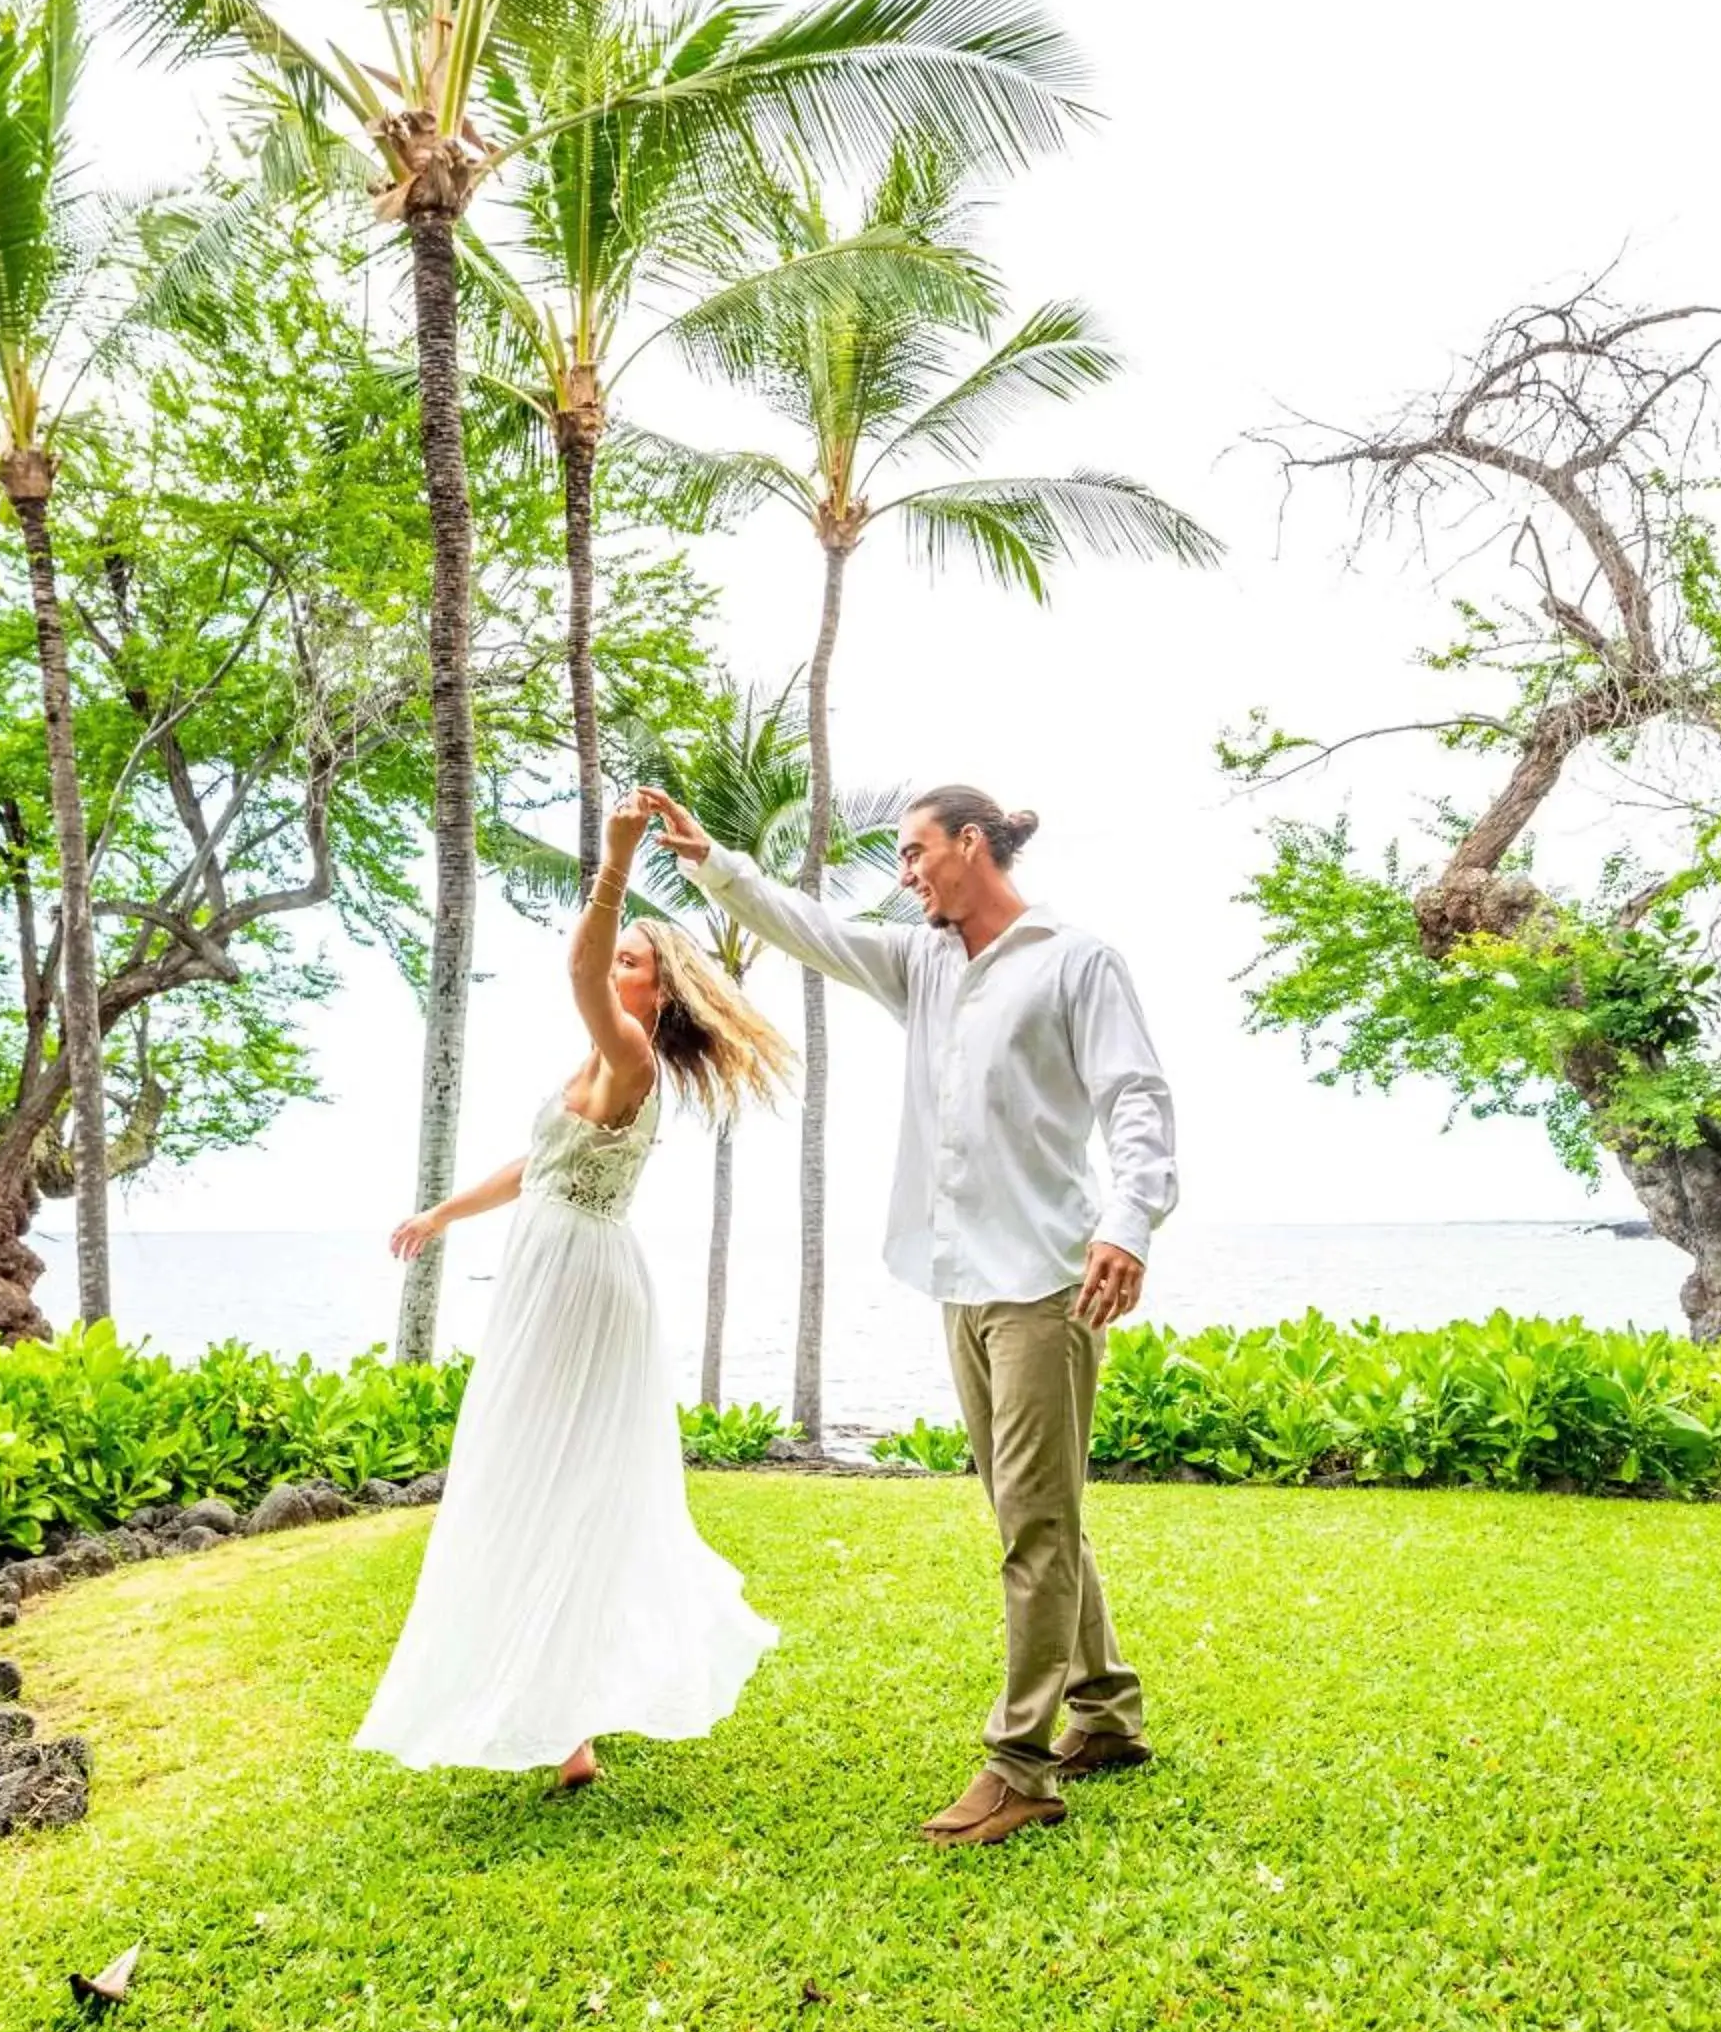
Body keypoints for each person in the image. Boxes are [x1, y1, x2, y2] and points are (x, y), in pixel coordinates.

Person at [644, 779, 1177, 1848]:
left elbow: (1135, 1098)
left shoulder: (1076, 961)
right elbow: (814, 931)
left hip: (1046, 1280)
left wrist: (1127, 1222)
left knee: (1032, 1523)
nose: (904, 873)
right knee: (1026, 1510)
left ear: (968, 847)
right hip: (960, 1281)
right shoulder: (922, 961)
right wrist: (713, 865)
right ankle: (1105, 1713)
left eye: (913, 852)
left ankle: (1020, 1765)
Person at [354, 790, 792, 1794]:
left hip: (578, 1282)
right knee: (538, 1478)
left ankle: (567, 1715)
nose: (616, 969)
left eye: (635, 962)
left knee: (546, 1475)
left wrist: (614, 861)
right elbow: (534, 1168)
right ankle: (569, 1733)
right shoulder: (596, 1062)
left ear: (653, 991)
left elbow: (577, 964)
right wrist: (439, 1216)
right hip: (556, 1267)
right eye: (624, 957)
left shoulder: (631, 1051)